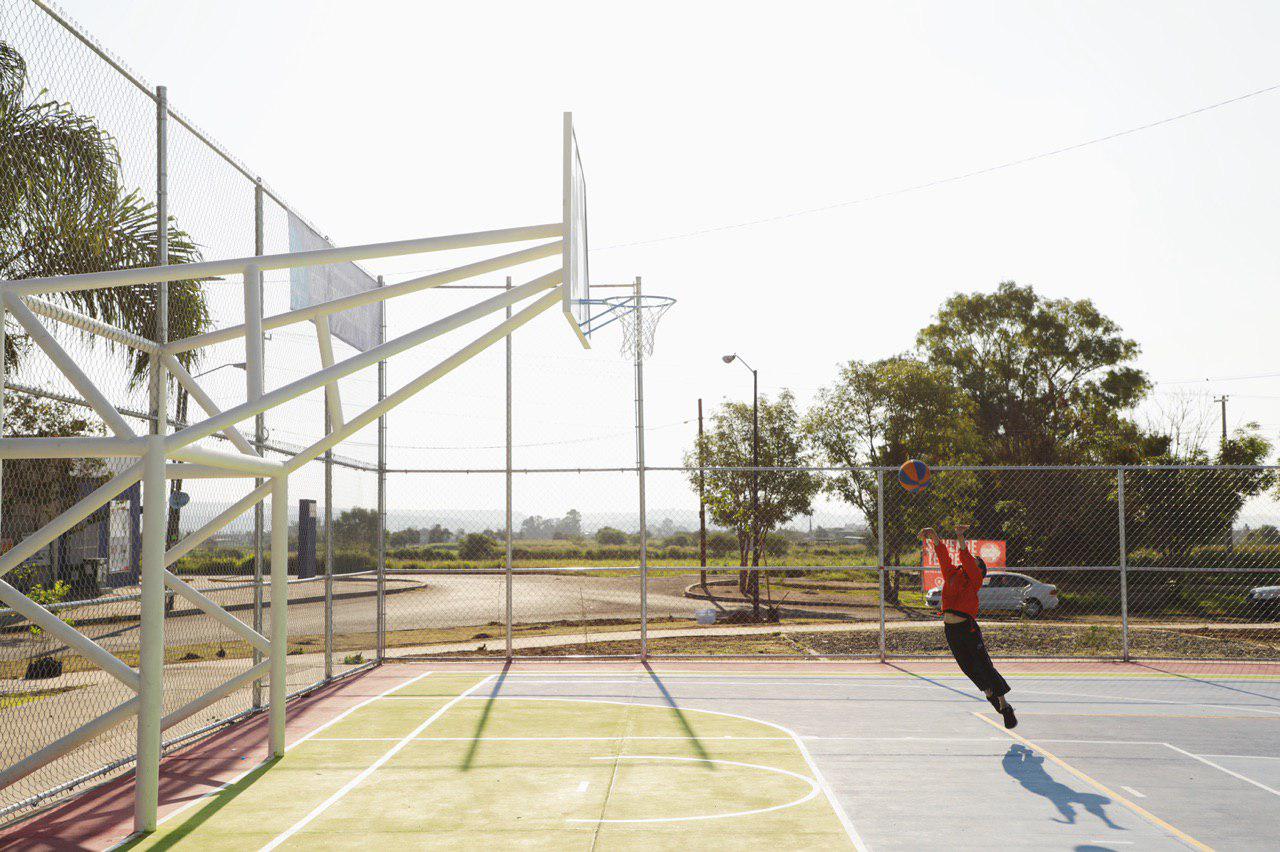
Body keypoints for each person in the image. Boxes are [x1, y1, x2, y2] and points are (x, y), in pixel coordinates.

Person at [921, 524, 1017, 728]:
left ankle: (1004, 705)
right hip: (951, 630)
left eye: (974, 561)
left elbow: (965, 557)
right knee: (967, 667)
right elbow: (943, 555)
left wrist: (960, 536)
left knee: (984, 666)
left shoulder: (974, 579)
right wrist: (934, 535)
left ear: (979, 569)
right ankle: (990, 693)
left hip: (967, 629)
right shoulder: (952, 574)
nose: (969, 560)